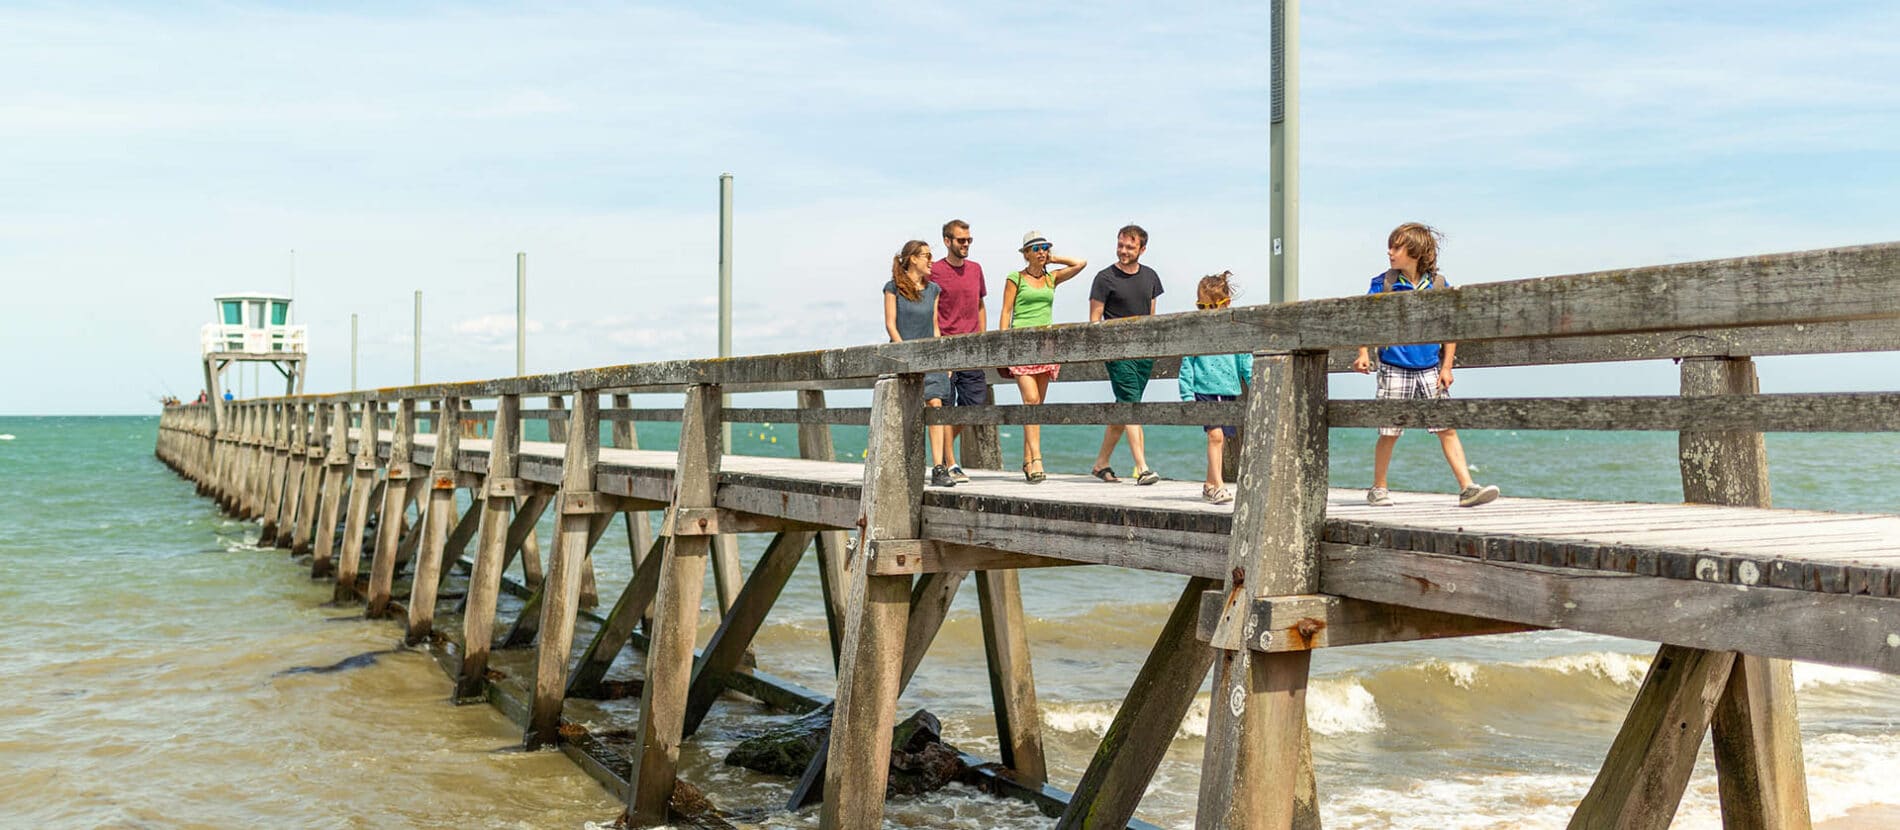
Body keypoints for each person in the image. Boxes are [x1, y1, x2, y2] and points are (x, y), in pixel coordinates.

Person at [1351, 222, 1500, 508]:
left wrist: (1447, 367)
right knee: (1389, 431)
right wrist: (1363, 352)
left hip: (1430, 367)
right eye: (1390, 246)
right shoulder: (1383, 283)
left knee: (1446, 428)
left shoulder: (1439, 285)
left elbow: (1449, 328)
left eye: (1396, 247)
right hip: (1394, 366)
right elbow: (1364, 319)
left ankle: (1467, 488)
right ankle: (1378, 488)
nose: (1390, 252)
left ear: (1415, 252)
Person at [999, 231, 1087, 483]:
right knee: (1031, 399)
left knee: (1037, 406)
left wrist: (1053, 258)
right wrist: (1003, 347)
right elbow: (1006, 312)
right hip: (1021, 344)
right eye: (1035, 248)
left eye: (1044, 247)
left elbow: (1080, 263)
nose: (1040, 251)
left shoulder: (1052, 278)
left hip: (1047, 346)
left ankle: (1027, 461)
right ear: (1025, 253)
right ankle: (1037, 457)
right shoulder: (1015, 278)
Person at [1087, 224, 1163, 485]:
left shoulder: (1151, 277)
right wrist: (1102, 350)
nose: (1123, 250)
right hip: (1117, 351)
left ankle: (1101, 464)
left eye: (1130, 246)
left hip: (1144, 353)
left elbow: (1152, 317)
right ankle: (1142, 468)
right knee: (1131, 405)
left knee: (1124, 407)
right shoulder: (1104, 278)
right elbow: (1094, 319)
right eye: (1120, 245)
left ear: (1142, 249)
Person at [885, 240, 957, 487]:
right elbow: (891, 325)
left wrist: (942, 357)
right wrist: (905, 354)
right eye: (926, 256)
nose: (931, 260)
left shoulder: (934, 289)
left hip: (930, 358)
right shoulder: (892, 288)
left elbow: (936, 326)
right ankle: (904, 466)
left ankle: (939, 468)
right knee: (909, 412)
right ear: (912, 258)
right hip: (904, 359)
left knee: (936, 404)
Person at [1177, 272, 1251, 504]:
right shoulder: (1196, 333)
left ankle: (1210, 484)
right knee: (1215, 436)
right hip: (1204, 389)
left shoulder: (1235, 332)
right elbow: (1187, 363)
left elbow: (1245, 362)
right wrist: (1187, 393)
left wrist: (1256, 386)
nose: (1207, 312)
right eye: (1201, 306)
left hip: (1228, 389)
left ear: (1226, 304)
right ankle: (1219, 486)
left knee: (1221, 439)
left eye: (1212, 306)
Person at [929, 219, 986, 483]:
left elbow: (980, 305)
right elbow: (930, 310)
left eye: (969, 240)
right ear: (947, 241)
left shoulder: (976, 269)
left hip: (973, 349)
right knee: (948, 408)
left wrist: (984, 341)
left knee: (973, 407)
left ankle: (939, 451)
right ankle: (950, 464)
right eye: (961, 240)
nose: (966, 244)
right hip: (946, 349)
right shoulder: (935, 271)